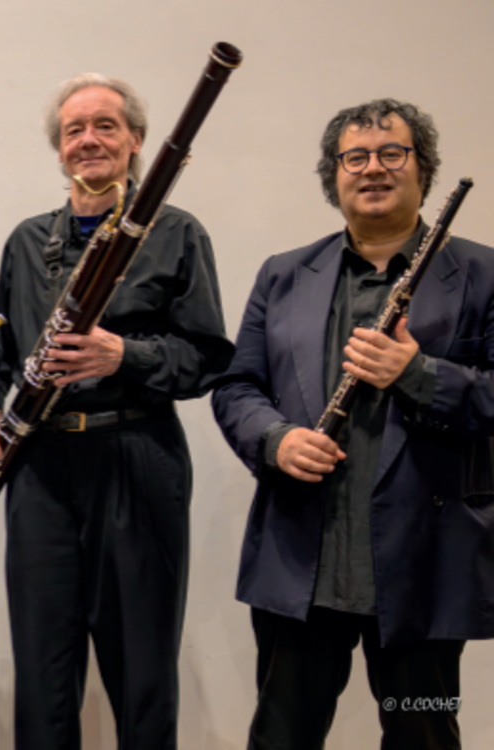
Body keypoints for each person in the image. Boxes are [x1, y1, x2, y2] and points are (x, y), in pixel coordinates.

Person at [213, 99, 494, 750]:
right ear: (334, 174)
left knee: (422, 732)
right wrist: (275, 440)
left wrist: (416, 372)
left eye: (392, 153)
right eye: (355, 157)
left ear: (422, 168)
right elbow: (237, 386)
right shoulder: (284, 274)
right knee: (283, 735)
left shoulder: (481, 274)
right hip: (302, 562)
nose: (373, 168)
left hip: (424, 566)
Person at [0, 74, 234, 750]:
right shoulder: (28, 241)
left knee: (142, 674)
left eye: (105, 126)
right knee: (42, 675)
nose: (88, 141)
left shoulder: (174, 231)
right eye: (73, 131)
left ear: (135, 140)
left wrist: (125, 355)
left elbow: (205, 357)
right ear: (59, 150)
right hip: (41, 468)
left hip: (135, 458)